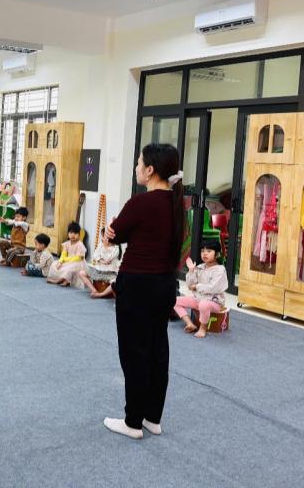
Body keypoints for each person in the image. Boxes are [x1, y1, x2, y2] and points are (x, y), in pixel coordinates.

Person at [103, 143, 184, 440]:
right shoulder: (176, 204)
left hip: (137, 284)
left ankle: (133, 422)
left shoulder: (140, 202)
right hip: (165, 285)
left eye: (139, 163)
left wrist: (109, 232)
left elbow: (114, 235)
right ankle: (152, 417)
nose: (136, 167)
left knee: (134, 352)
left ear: (150, 170)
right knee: (157, 349)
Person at [175, 239, 228, 338]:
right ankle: (190, 324)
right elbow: (190, 285)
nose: (205, 254)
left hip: (214, 302)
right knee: (175, 300)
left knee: (204, 304)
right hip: (198, 299)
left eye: (209, 251)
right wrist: (191, 271)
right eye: (202, 251)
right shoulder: (200, 267)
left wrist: (197, 286)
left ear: (217, 254)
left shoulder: (220, 270)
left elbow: (213, 287)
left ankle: (202, 328)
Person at [80, 229, 122, 298]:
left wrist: (105, 247)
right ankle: (94, 290)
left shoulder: (116, 248)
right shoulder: (101, 244)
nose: (103, 238)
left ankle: (101, 294)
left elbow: (108, 259)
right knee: (82, 273)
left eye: (105, 236)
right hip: (99, 270)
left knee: (115, 283)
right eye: (103, 236)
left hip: (110, 272)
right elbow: (95, 255)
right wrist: (101, 261)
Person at [47, 222, 87, 286]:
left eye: (75, 233)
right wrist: (60, 262)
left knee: (70, 267)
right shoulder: (67, 244)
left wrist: (66, 260)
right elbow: (63, 254)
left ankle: (60, 280)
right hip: (68, 261)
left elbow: (78, 258)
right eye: (71, 233)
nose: (73, 235)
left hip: (77, 262)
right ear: (68, 233)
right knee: (55, 264)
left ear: (79, 234)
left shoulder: (80, 245)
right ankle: (65, 280)